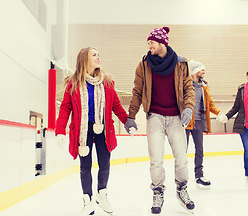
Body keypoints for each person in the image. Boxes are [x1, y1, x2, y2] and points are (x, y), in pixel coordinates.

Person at [124, 26, 195, 215]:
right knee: (156, 160)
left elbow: (189, 88)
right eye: (148, 43)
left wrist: (188, 108)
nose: (149, 46)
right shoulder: (144, 64)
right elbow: (137, 91)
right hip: (154, 116)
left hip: (176, 117)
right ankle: (158, 191)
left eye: (151, 42)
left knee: (181, 158)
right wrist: (131, 116)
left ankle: (182, 189)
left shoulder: (181, 63)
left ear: (162, 42)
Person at [55, 47, 128, 216]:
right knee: (85, 166)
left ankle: (102, 194)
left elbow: (116, 105)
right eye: (94, 55)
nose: (98, 57)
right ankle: (87, 200)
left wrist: (127, 121)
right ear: (84, 59)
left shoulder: (107, 82)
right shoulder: (73, 83)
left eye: (98, 54)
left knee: (105, 163)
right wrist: (60, 130)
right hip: (82, 130)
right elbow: (65, 108)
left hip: (103, 128)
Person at [186, 60, 227, 189]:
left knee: (200, 150)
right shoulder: (185, 85)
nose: (204, 71)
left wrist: (219, 113)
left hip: (199, 121)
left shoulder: (204, 86)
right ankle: (181, 178)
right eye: (201, 69)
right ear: (193, 71)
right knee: (182, 151)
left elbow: (209, 103)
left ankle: (199, 176)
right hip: (185, 122)